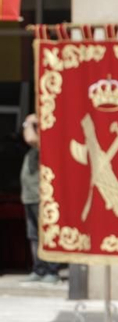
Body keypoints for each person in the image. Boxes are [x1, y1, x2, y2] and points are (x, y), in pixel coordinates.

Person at [18, 112, 60, 283]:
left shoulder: (46, 142)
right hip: (29, 197)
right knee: (34, 236)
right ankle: (39, 268)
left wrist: (28, 122)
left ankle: (52, 270)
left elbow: (30, 139)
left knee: (46, 234)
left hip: (41, 196)